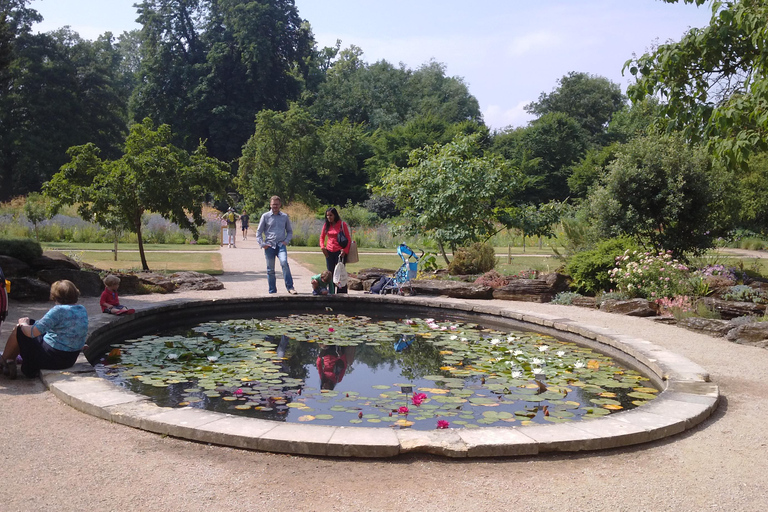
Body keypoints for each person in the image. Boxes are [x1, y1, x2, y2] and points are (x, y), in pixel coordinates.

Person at [1, 280, 88, 379]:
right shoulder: (81, 309)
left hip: (52, 359)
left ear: (55, 296)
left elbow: (32, 333)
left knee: (20, 330)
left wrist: (23, 324)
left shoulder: (58, 310)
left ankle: (4, 361)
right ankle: (9, 360)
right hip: (70, 359)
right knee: (31, 323)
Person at [255, 195, 297, 294]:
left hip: (281, 245)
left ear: (280, 205)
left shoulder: (284, 217)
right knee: (270, 270)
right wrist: (262, 244)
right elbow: (258, 232)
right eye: (273, 204)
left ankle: (290, 287)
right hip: (269, 245)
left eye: (277, 204)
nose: (275, 206)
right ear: (270, 204)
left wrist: (286, 241)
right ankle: (272, 291)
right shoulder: (265, 216)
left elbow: (290, 231)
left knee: (284, 263)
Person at [319, 207, 351, 294]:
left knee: (340, 273)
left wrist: (345, 250)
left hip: (340, 252)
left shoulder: (342, 224)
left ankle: (342, 293)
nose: (329, 217)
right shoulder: (326, 225)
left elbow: (348, 238)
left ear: (335, 215)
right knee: (330, 273)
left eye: (331, 215)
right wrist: (322, 247)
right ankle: (331, 292)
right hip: (329, 251)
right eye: (327, 215)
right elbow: (322, 237)